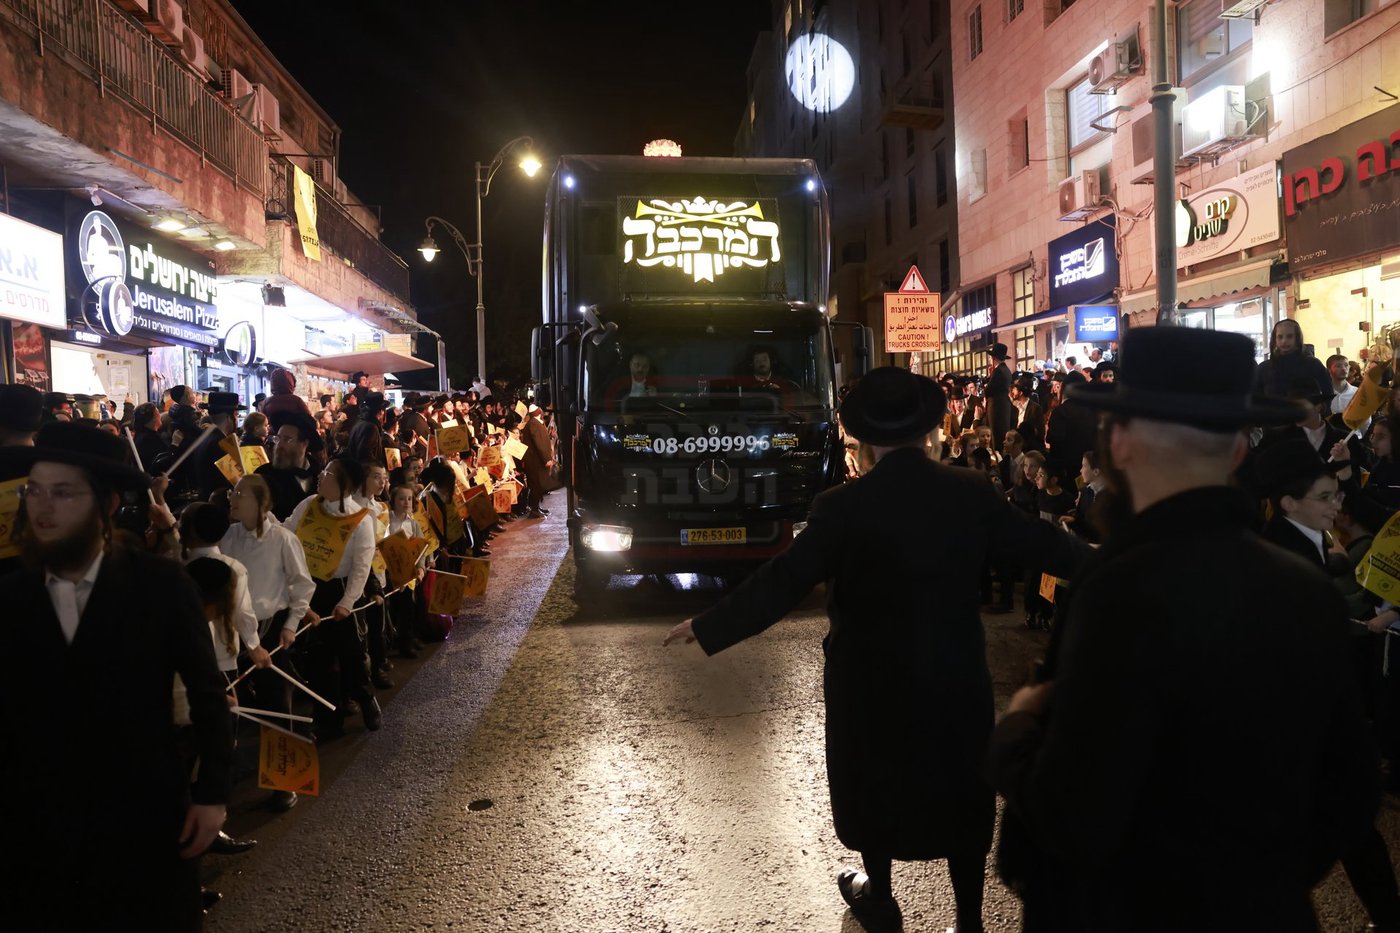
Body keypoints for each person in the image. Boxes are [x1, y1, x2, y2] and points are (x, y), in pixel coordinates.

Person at [663, 367, 1086, 933]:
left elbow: (785, 580)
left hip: (868, 681)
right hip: (952, 675)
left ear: (862, 442)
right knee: (961, 790)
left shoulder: (841, 505)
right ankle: (969, 917)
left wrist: (710, 625)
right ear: (929, 434)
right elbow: (1045, 546)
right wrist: (1124, 560)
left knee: (874, 787)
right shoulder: (969, 492)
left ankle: (881, 898)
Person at [986, 327, 1379, 930]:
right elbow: (1351, 793)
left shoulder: (1120, 590)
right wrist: (1255, 881)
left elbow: (1071, 816)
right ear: (1239, 451)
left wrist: (1015, 730)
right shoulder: (1306, 591)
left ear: (1117, 445)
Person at [0, 422, 232, 929]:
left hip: (145, 808)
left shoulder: (160, 585)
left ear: (105, 505)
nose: (42, 508)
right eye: (34, 492)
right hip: (40, 819)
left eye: (63, 494)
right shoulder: (12, 598)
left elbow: (208, 693)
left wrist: (212, 795)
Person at [285, 457, 381, 739]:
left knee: (352, 653)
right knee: (318, 658)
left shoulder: (360, 519)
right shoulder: (309, 505)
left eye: (327, 473)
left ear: (344, 485)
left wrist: (347, 602)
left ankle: (366, 698)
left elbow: (362, 566)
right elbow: (288, 530)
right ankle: (328, 717)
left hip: (340, 590)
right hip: (311, 589)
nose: (320, 476)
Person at [257, 410, 324, 520]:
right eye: (278, 438)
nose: (279, 445)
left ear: (304, 444)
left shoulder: (319, 473)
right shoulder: (263, 475)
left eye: (287, 440)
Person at [1254, 318, 1332, 398]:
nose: (1284, 341)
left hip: (1306, 410)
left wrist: (1321, 406)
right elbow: (1256, 398)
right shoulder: (1264, 368)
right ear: (1275, 339)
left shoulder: (1313, 364)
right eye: (1280, 337)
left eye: (1289, 336)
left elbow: (1328, 392)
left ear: (1297, 338)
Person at [521, 404, 555, 519]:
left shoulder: (534, 423)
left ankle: (536, 508)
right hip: (535, 462)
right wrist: (546, 459)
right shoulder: (534, 424)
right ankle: (534, 510)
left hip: (536, 462)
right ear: (538, 412)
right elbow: (539, 444)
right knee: (536, 486)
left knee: (538, 486)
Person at [985, 343, 1013, 455]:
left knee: (996, 437)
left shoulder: (998, 371)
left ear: (994, 357)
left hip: (996, 407)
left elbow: (988, 391)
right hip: (1004, 406)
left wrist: (989, 378)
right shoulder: (1006, 370)